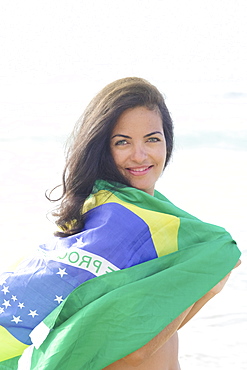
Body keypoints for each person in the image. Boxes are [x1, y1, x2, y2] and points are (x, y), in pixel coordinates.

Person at [0, 77, 241, 370]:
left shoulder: (161, 222)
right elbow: (132, 351)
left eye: (152, 139)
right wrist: (209, 282)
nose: (140, 155)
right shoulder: (113, 230)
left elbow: (159, 328)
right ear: (103, 148)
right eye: (122, 142)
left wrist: (203, 278)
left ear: (168, 141)